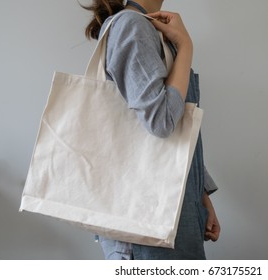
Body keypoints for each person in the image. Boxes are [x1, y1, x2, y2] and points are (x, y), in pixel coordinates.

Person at [82, 0, 220, 260]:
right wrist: (186, 46)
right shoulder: (131, 26)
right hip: (146, 230)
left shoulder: (145, 27)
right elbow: (162, 119)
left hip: (168, 215)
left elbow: (176, 128)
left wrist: (200, 194)